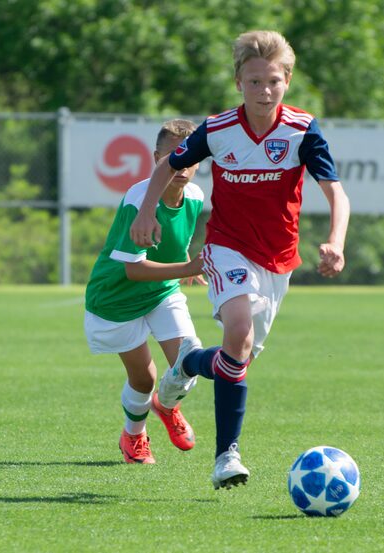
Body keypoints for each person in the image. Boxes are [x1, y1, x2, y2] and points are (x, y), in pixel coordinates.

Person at [130, 30, 351, 488]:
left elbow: (336, 192)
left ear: (286, 80)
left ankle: (183, 371)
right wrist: (147, 211)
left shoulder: (302, 129)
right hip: (227, 246)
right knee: (238, 333)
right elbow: (168, 165)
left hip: (278, 260)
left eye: (273, 81)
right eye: (254, 81)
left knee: (238, 357)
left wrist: (336, 241)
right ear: (238, 82)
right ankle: (226, 457)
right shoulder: (218, 128)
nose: (263, 91)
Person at [85, 119, 207, 464]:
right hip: (116, 297)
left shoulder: (196, 197)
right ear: (157, 157)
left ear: (199, 160)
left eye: (189, 155)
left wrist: (183, 259)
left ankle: (166, 406)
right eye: (173, 155)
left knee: (190, 360)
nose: (181, 163)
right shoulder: (139, 199)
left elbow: (173, 239)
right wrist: (188, 268)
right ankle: (133, 436)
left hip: (160, 291)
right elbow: (133, 268)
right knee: (144, 377)